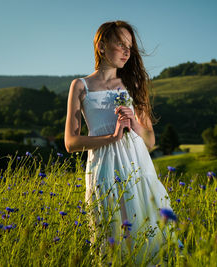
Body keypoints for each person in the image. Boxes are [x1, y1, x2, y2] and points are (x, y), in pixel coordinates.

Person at [64, 20, 174, 264]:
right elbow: (71, 143)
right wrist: (111, 137)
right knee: (112, 237)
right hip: (104, 167)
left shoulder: (134, 84)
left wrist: (133, 122)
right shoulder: (80, 86)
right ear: (102, 46)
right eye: (121, 45)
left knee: (146, 232)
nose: (127, 51)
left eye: (130, 47)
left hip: (138, 165)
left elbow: (150, 141)